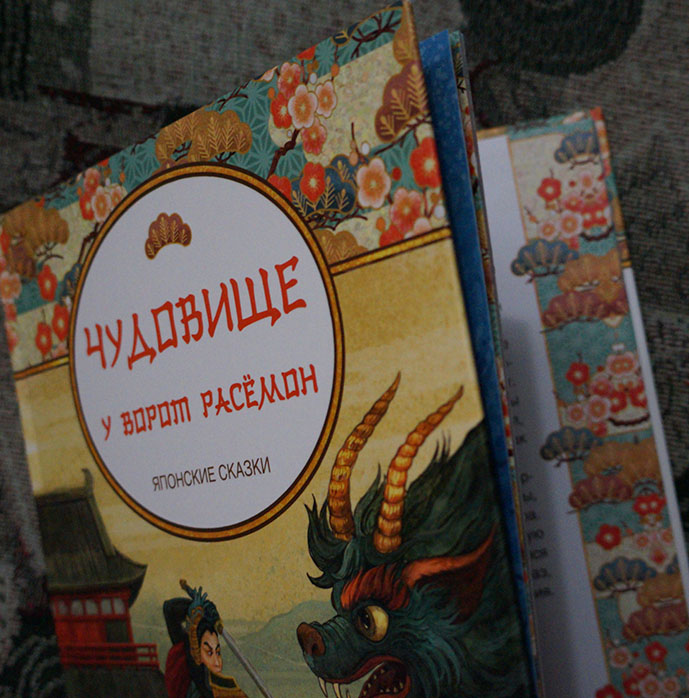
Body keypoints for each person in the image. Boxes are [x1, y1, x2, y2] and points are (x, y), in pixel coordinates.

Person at [163, 581, 247, 698]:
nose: (217, 663)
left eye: (218, 653)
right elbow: (169, 608)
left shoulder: (224, 687)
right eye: (209, 652)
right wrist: (195, 609)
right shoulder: (194, 677)